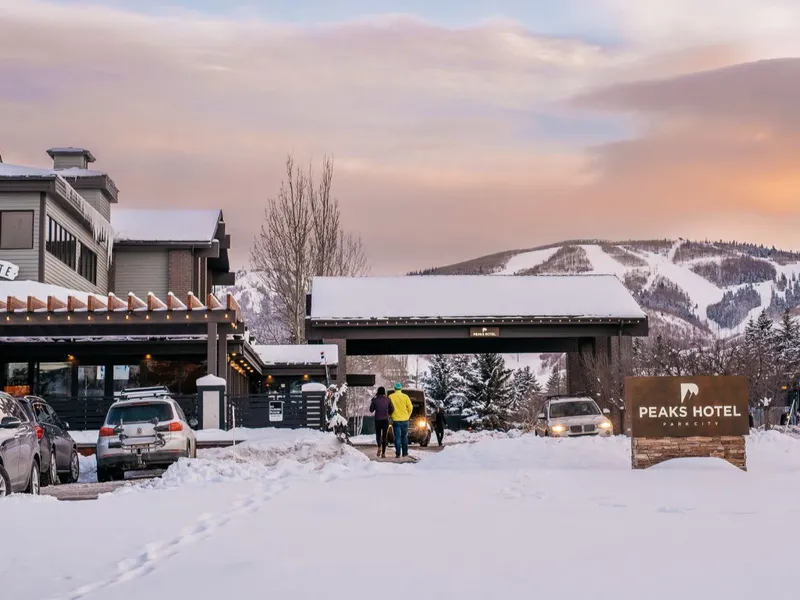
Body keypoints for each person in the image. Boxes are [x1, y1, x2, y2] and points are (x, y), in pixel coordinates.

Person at [388, 382, 413, 458]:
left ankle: (398, 453)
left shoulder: (390, 396)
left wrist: (391, 415)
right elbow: (410, 407)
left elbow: (388, 408)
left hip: (396, 420)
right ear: (401, 389)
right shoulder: (405, 397)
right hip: (405, 420)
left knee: (397, 437)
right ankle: (405, 453)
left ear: (394, 389)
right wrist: (408, 416)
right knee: (404, 437)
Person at [369, 386, 392, 458]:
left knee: (378, 435)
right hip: (385, 420)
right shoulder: (388, 399)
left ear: (378, 392)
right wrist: (388, 414)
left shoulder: (375, 400)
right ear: (384, 392)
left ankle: (379, 447)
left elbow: (371, 410)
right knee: (384, 436)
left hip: (377, 420)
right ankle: (383, 454)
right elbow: (392, 409)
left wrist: (373, 400)